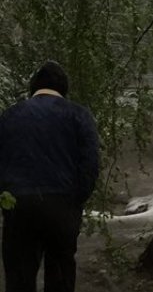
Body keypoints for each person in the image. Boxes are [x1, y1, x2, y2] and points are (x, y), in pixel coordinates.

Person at [0, 61, 99, 292]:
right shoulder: (79, 115)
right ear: (64, 88)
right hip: (62, 206)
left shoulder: (9, 116)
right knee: (60, 276)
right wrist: (76, 199)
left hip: (19, 205)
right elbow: (90, 164)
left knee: (19, 277)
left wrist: (6, 196)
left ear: (33, 88)